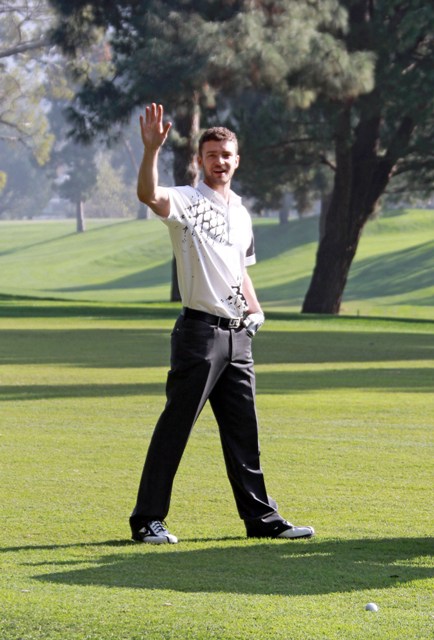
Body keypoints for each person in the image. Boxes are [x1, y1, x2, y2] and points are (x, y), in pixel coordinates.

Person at [129, 102, 315, 544]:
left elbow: (240, 271)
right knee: (176, 429)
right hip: (199, 334)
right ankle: (147, 520)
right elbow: (148, 195)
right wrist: (151, 150)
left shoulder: (242, 213)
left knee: (244, 433)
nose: (220, 162)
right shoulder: (186, 200)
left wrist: (256, 310)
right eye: (212, 155)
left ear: (237, 160)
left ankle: (262, 520)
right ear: (200, 160)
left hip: (238, 338)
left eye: (226, 155)